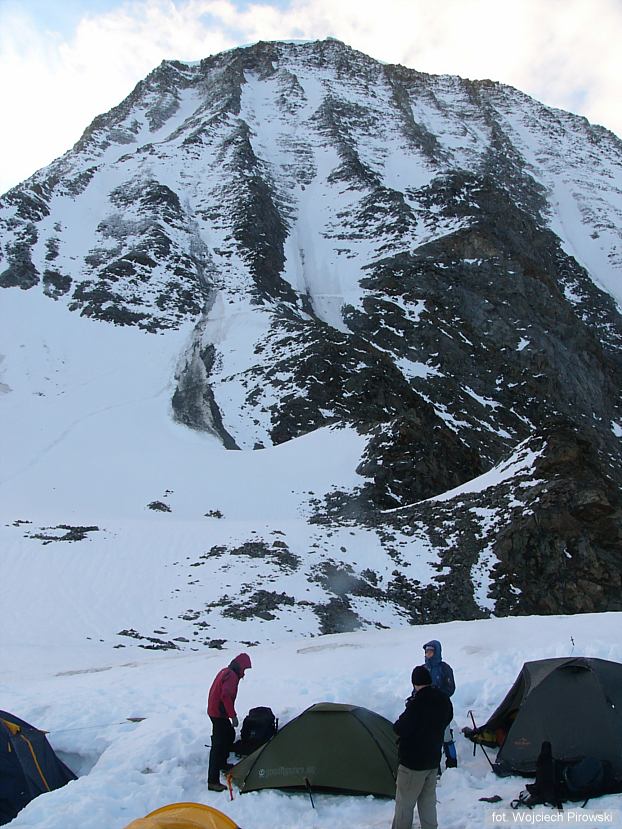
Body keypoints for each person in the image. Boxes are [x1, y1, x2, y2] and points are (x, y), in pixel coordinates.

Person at [392, 665, 453, 829]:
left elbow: (400, 728)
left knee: (404, 803)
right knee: (428, 802)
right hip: (433, 760)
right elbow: (448, 718)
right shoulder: (443, 699)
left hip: (412, 763)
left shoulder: (416, 704)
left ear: (414, 683)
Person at [206, 652, 252, 791]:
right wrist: (233, 716)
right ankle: (212, 781)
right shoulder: (231, 675)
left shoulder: (226, 671)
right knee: (218, 745)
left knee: (229, 734)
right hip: (219, 714)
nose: (244, 673)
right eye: (244, 669)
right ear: (240, 666)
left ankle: (222, 763)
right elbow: (225, 695)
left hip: (215, 711)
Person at [423, 640, 457, 768]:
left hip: (442, 708)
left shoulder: (445, 668)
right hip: (427, 709)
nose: (428, 654)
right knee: (430, 739)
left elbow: (450, 688)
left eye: (431, 651)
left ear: (436, 652)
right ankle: (434, 766)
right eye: (426, 651)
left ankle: (452, 763)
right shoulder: (424, 669)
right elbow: (417, 687)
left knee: (446, 736)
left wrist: (437, 694)